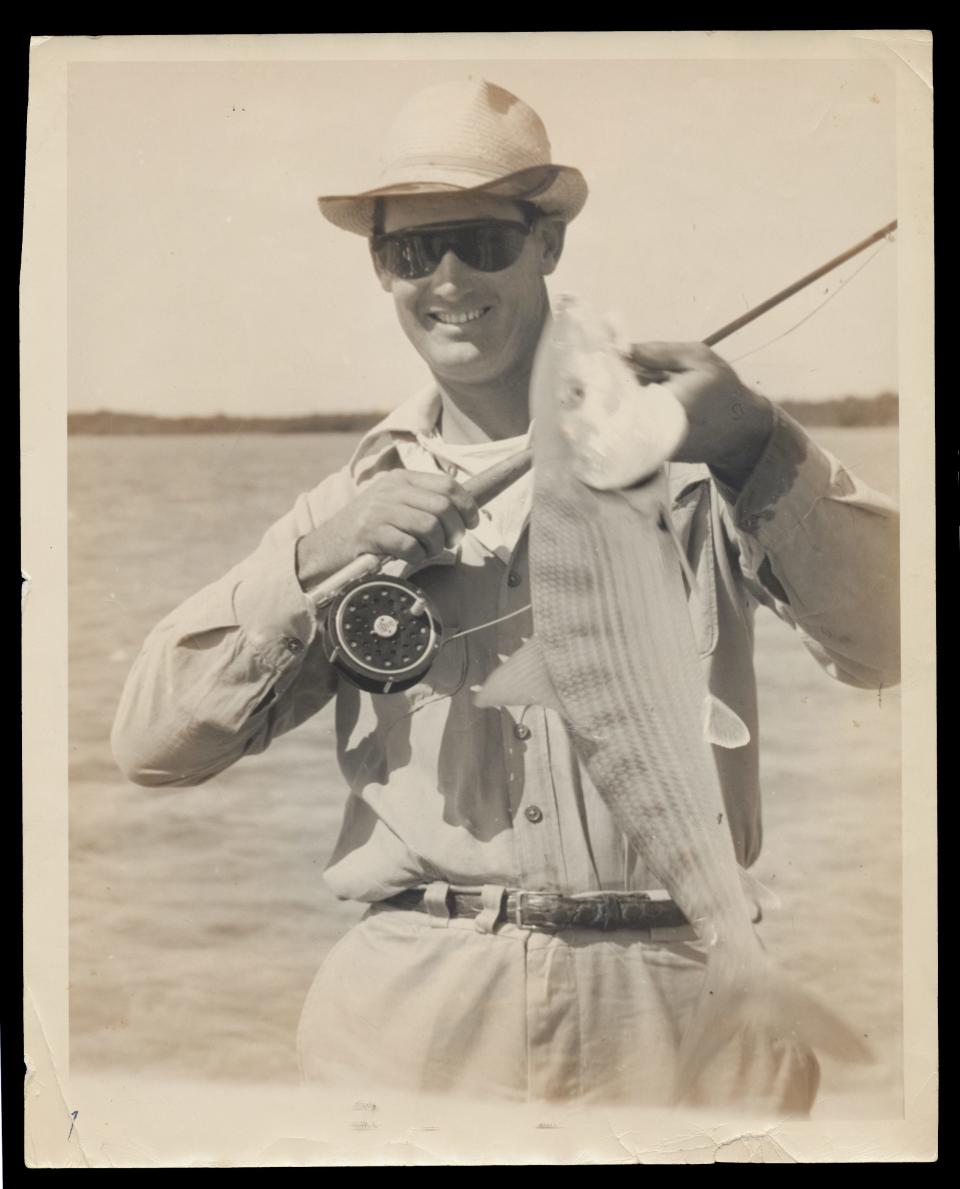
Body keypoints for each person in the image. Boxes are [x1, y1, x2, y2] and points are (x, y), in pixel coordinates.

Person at [111, 79, 900, 1112]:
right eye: (411, 250)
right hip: (416, 1019)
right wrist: (314, 564)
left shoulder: (701, 457)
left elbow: (898, 642)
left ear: (547, 246)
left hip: (679, 1012)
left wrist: (757, 445)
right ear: (380, 267)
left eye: (482, 242)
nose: (447, 279)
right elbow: (150, 747)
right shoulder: (345, 505)